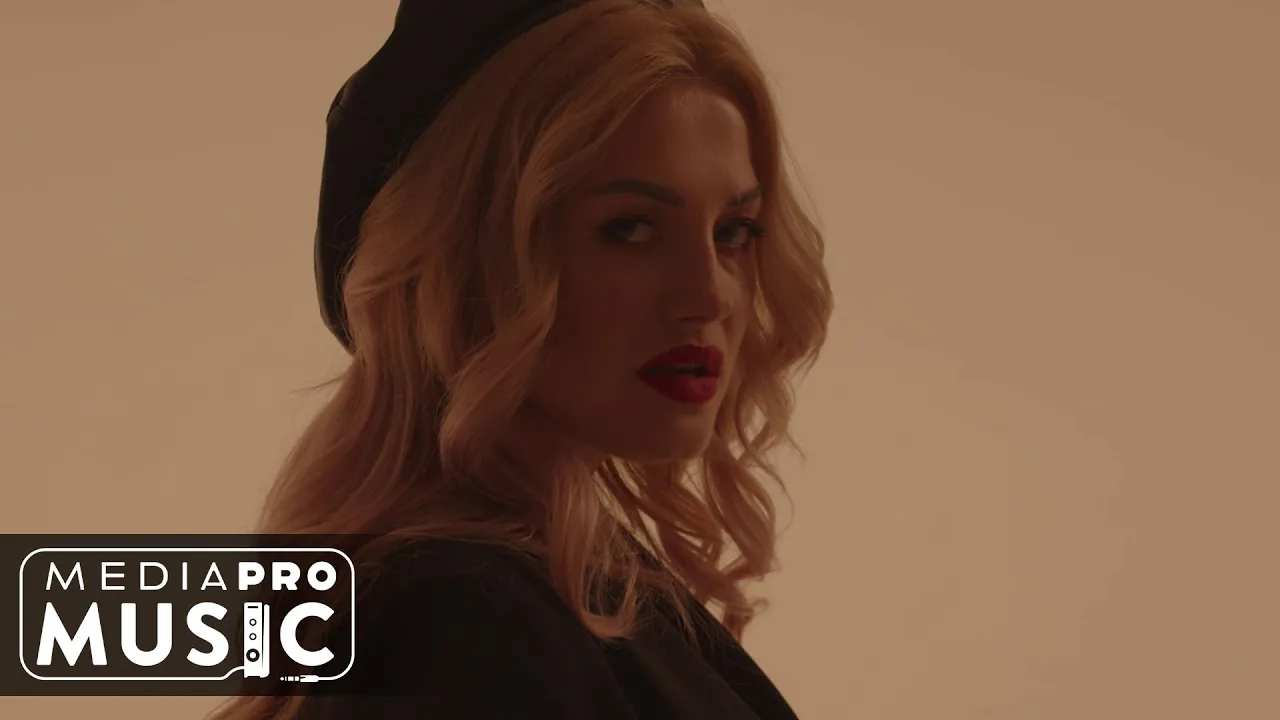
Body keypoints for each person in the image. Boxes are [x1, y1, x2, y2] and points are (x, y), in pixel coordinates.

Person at [208, 0, 832, 717]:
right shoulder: (464, 620)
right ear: (472, 260)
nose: (709, 295)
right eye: (630, 229)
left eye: (734, 231)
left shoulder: (553, 588)